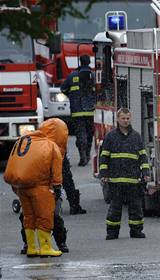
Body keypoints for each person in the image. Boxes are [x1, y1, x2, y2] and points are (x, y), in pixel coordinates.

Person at [4, 118, 68, 257]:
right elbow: (57, 172)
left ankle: (31, 247)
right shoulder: (51, 146)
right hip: (41, 187)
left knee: (29, 217)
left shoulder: (25, 141)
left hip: (22, 187)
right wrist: (57, 188)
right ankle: (46, 247)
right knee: (45, 217)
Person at [99, 108, 151, 240]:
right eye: (123, 118)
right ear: (117, 119)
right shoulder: (110, 137)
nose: (125, 121)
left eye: (128, 118)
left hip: (133, 180)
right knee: (115, 208)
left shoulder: (136, 137)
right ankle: (112, 232)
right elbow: (104, 157)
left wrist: (145, 172)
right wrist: (103, 174)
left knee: (136, 207)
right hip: (115, 180)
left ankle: (136, 231)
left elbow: (143, 157)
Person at [61, 54, 96, 166]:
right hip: (90, 110)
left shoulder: (72, 76)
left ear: (80, 62)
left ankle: (83, 157)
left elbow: (63, 89)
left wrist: (72, 96)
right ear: (89, 62)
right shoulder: (93, 75)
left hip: (77, 111)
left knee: (80, 133)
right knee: (89, 133)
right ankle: (87, 154)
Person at [19, 186, 69, 254]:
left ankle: (61, 242)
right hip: (32, 193)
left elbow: (57, 177)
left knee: (55, 216)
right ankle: (28, 243)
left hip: (51, 192)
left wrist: (57, 188)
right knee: (27, 217)